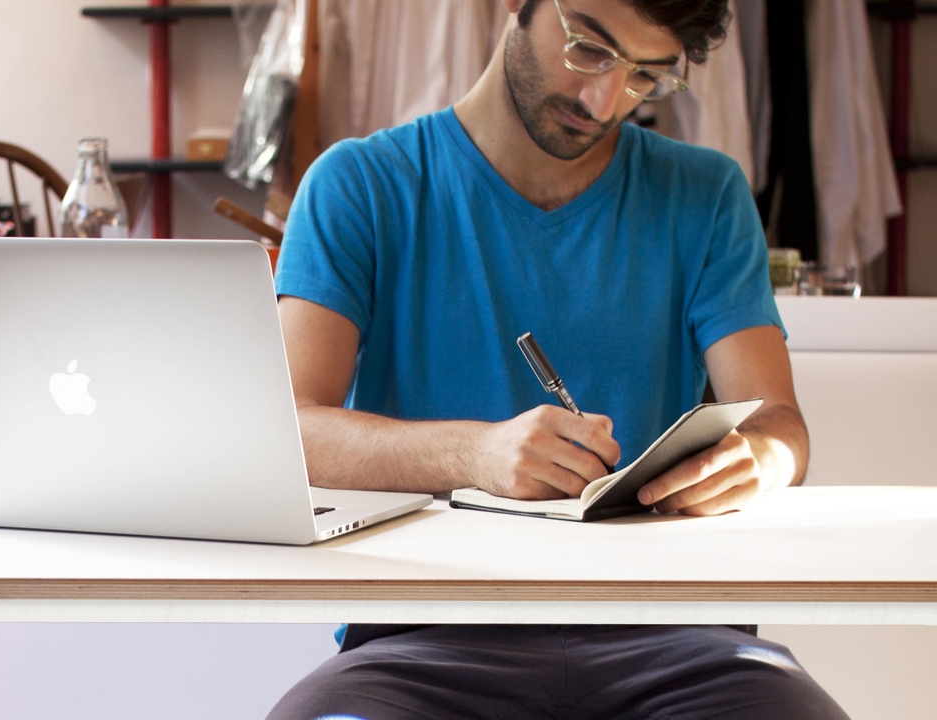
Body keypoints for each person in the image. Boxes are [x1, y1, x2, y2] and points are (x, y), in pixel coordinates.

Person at [266, 0, 850, 717]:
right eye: (589, 49)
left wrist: (761, 461)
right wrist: (475, 455)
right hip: (421, 640)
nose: (605, 100)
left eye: (646, 76)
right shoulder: (358, 186)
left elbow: (781, 422)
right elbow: (288, 432)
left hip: (682, 640)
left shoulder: (707, 194)